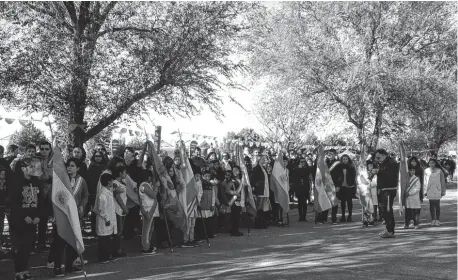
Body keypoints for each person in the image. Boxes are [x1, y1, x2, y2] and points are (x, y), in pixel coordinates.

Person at [8, 157, 44, 280]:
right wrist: (24, 216)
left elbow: (41, 201)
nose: (34, 169)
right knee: (20, 246)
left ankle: (24, 270)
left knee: (28, 245)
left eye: (35, 167)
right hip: (19, 221)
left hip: (33, 219)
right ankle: (18, 271)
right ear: (24, 169)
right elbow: (14, 202)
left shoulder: (37, 182)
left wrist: (38, 215)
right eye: (31, 167)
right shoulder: (17, 182)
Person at [51, 157, 88, 277]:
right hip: (62, 214)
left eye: (72, 166)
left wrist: (82, 205)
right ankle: (57, 266)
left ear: (78, 168)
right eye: (68, 166)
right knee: (60, 241)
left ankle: (69, 264)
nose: (69, 168)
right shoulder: (60, 181)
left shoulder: (81, 181)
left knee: (74, 240)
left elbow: (85, 195)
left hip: (75, 215)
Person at [372, 149, 399, 238]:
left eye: (378, 157)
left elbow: (389, 174)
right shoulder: (384, 162)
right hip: (384, 189)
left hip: (388, 189)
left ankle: (390, 231)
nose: (377, 159)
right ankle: (389, 229)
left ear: (384, 155)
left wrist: (378, 172)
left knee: (387, 210)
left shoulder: (391, 162)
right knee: (385, 210)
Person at [96, 173, 117, 264]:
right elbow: (102, 209)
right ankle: (103, 257)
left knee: (107, 238)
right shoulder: (103, 194)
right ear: (109, 182)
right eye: (112, 180)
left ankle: (107, 255)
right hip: (104, 220)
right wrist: (107, 219)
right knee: (103, 240)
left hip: (108, 220)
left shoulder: (107, 191)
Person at [86, 150, 108, 235]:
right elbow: (88, 179)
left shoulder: (105, 167)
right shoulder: (91, 166)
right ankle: (94, 230)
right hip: (93, 192)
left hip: (103, 192)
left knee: (103, 210)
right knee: (94, 212)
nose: (97, 158)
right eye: (96, 156)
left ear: (102, 157)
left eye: (99, 156)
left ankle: (102, 229)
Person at [138, 169, 160, 254]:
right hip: (147, 210)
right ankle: (145, 248)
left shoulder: (146, 185)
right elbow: (153, 195)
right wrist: (157, 187)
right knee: (146, 230)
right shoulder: (144, 185)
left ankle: (148, 245)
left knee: (150, 228)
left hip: (151, 209)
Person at [251, 155, 272, 229]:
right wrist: (257, 185)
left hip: (265, 191)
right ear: (259, 159)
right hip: (260, 191)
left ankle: (263, 222)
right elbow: (253, 180)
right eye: (263, 159)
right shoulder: (256, 169)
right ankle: (258, 224)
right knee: (259, 208)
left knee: (264, 208)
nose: (264, 160)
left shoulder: (264, 168)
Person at [424, 159, 447, 226]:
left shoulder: (439, 171)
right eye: (430, 163)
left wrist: (443, 191)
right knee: (431, 205)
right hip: (430, 190)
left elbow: (442, 181)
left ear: (435, 163)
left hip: (437, 190)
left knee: (437, 205)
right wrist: (425, 190)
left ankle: (437, 220)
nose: (431, 164)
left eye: (433, 163)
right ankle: (433, 219)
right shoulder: (426, 171)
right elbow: (424, 181)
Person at [112, 166, 128, 258]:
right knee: (118, 230)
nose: (125, 174)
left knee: (120, 230)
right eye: (124, 172)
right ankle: (116, 250)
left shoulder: (122, 183)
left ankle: (118, 248)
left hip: (121, 209)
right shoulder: (115, 183)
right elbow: (117, 197)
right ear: (120, 173)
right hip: (117, 209)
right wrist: (124, 207)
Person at [337, 154, 357, 223]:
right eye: (343, 159)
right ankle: (343, 216)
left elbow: (353, 177)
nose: (345, 160)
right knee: (342, 202)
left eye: (346, 159)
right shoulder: (339, 167)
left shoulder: (351, 167)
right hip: (342, 186)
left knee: (349, 202)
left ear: (348, 160)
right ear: (341, 160)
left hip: (349, 186)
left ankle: (349, 216)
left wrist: (351, 184)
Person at [292, 157, 311, 222]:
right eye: (301, 162)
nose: (303, 163)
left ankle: (304, 216)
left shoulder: (307, 169)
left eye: (304, 162)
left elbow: (308, 176)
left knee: (305, 202)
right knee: (300, 202)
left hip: (305, 187)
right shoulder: (296, 169)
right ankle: (300, 216)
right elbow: (294, 178)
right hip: (299, 187)